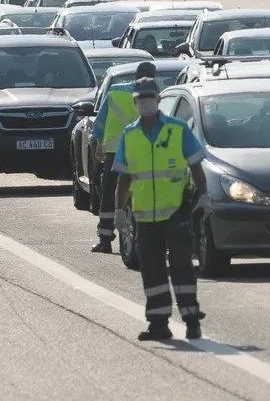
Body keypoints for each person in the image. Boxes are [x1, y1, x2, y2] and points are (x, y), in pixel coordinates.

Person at [113, 70, 208, 341]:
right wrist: (119, 211)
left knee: (181, 266)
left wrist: (203, 196)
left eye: (149, 98)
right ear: (135, 102)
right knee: (152, 271)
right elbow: (124, 178)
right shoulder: (130, 135)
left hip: (176, 210)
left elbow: (196, 167)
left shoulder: (176, 129)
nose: (145, 103)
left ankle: (191, 319)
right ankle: (158, 323)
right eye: (140, 99)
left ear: (157, 99)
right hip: (144, 218)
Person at [88, 61, 147, 253]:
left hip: (114, 152)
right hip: (144, 154)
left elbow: (100, 122)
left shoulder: (115, 92)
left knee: (111, 193)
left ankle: (105, 239)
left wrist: (98, 144)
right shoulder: (157, 95)